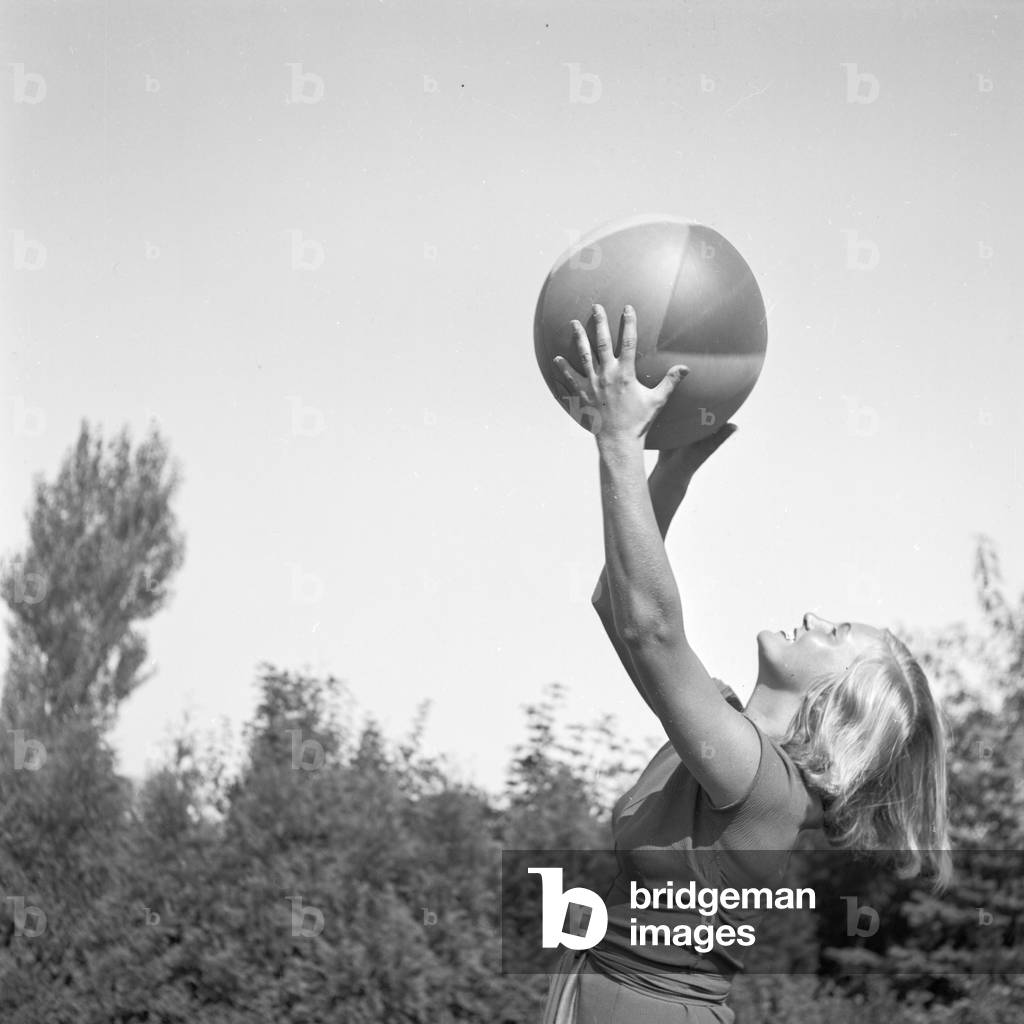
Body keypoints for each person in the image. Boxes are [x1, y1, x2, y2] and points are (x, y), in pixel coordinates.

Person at [543, 304, 953, 1024]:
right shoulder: (726, 729)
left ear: (836, 706)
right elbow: (619, 604)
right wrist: (669, 467)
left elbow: (652, 630)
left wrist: (618, 442)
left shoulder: (766, 789)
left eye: (836, 634)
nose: (817, 617)